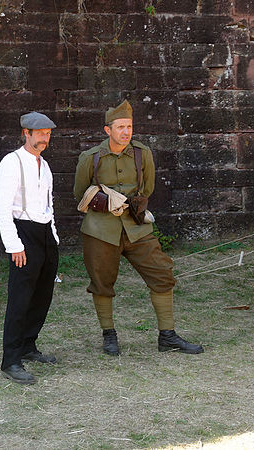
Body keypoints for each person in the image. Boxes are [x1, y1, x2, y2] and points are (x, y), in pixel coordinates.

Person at [73, 100, 203, 356]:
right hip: (100, 231)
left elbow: (148, 188)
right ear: (107, 130)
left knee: (162, 273)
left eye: (129, 126)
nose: (126, 131)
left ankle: (167, 336)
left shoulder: (143, 154)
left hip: (137, 227)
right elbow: (80, 193)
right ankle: (109, 335)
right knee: (101, 282)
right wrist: (106, 201)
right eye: (120, 127)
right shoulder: (91, 158)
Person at [0, 111, 60, 385]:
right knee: (20, 298)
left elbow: (49, 206)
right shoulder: (11, 162)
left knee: (42, 295)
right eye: (40, 133)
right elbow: (2, 208)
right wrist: (14, 245)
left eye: (48, 133)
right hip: (23, 233)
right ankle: (11, 359)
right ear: (26, 133)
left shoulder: (44, 165)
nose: (44, 138)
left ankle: (28, 345)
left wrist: (53, 238)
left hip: (45, 234)